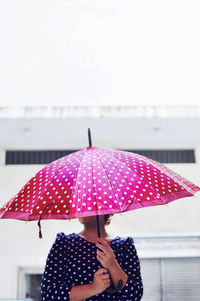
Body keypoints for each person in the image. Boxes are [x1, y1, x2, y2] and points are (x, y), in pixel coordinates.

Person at [41, 214, 143, 301]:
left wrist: (112, 265)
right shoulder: (64, 244)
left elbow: (134, 295)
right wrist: (93, 288)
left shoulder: (125, 246)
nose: (83, 208)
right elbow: (48, 294)